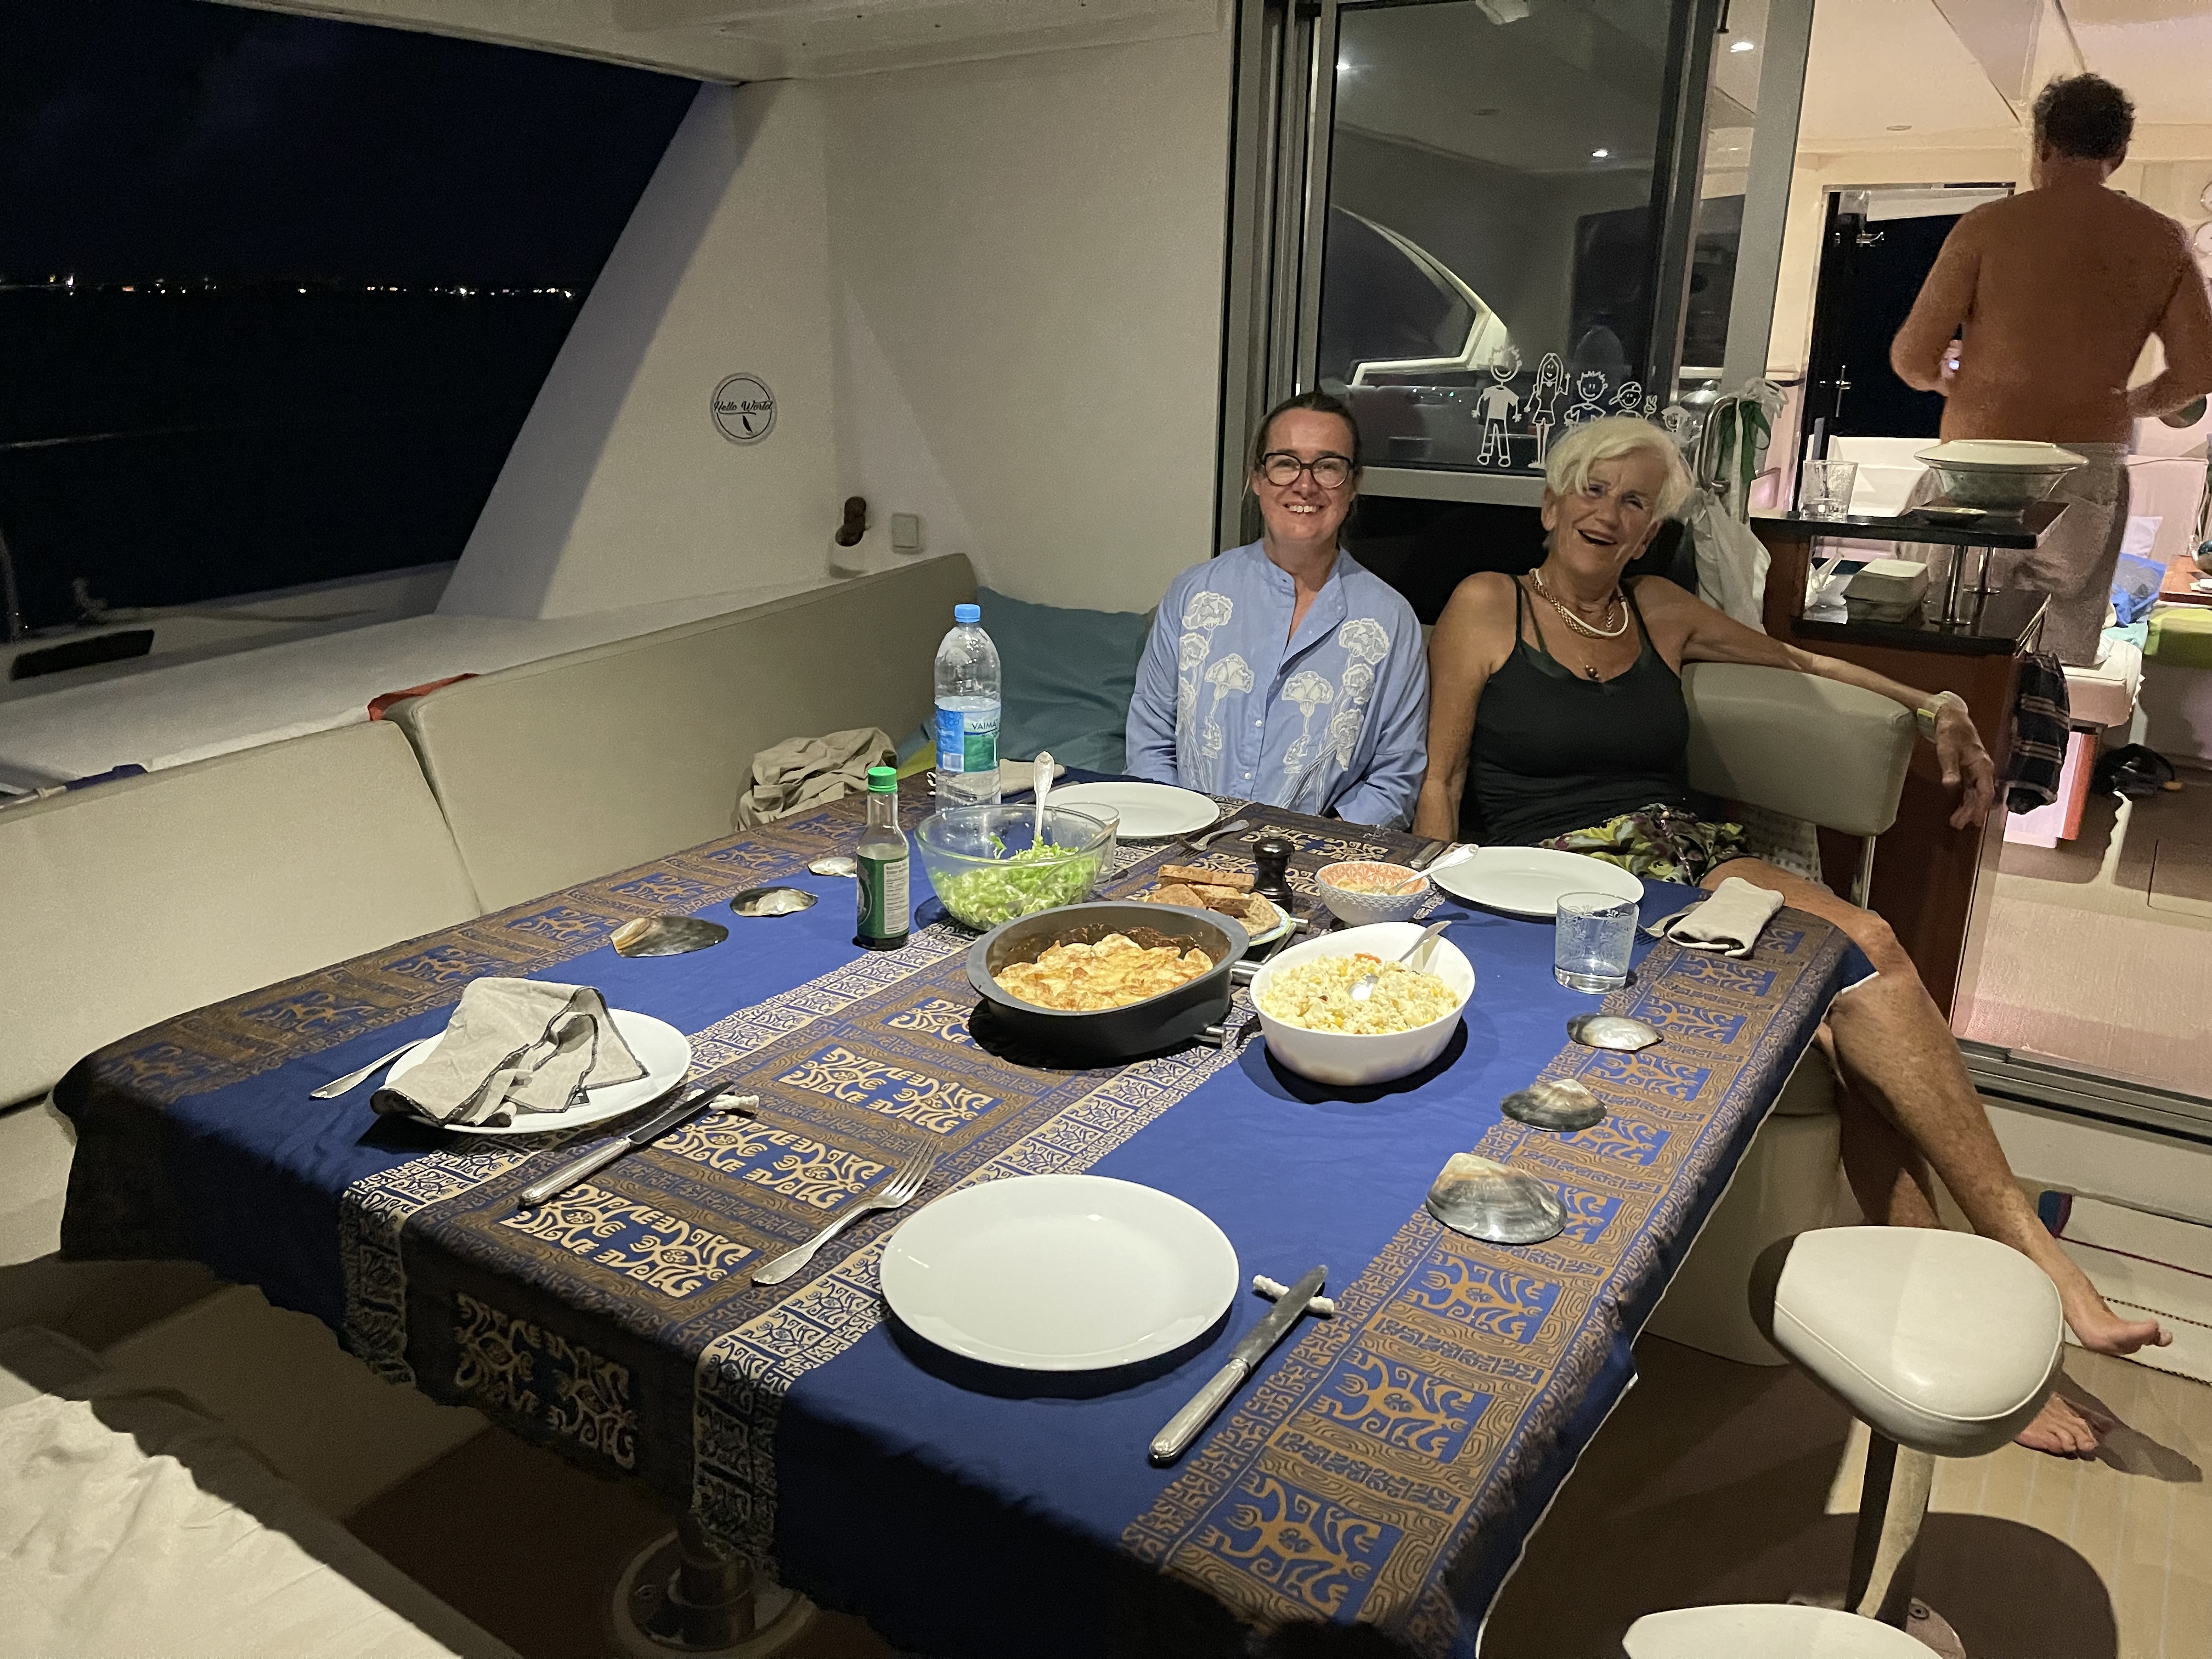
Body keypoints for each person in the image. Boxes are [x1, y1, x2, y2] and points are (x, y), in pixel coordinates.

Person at [1417, 416, 2169, 1455]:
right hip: (1562, 886)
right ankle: (1996, 1284)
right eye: (1592, 489)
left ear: (1649, 532)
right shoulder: (1485, 603)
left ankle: (1990, 1286)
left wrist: (1934, 704)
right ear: (1552, 503)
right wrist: (1439, 910)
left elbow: (1797, 657)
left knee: (1866, 958)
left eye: (1635, 501)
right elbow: (1442, 778)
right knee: (1846, 1013)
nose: (1609, 512)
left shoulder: (1657, 608)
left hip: (1685, 862)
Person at [1889, 73, 2212, 665]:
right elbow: (2198, 373)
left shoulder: (1987, 226)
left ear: (2042, 145)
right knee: (2050, 657)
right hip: (2085, 464)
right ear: (2119, 153)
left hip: (1977, 464)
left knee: (1945, 638)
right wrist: (2125, 403)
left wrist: (1944, 378)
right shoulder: (2162, 240)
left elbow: (1911, 358)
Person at [1126, 391, 1427, 829]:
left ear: (1353, 484)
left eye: (1328, 466)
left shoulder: (1389, 620)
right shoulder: (1195, 595)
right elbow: (1150, 743)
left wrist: (1308, 846)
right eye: (1286, 463)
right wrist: (1179, 833)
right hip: (1184, 844)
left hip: (1315, 856)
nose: (1305, 485)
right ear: (1257, 478)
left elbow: (1394, 780)